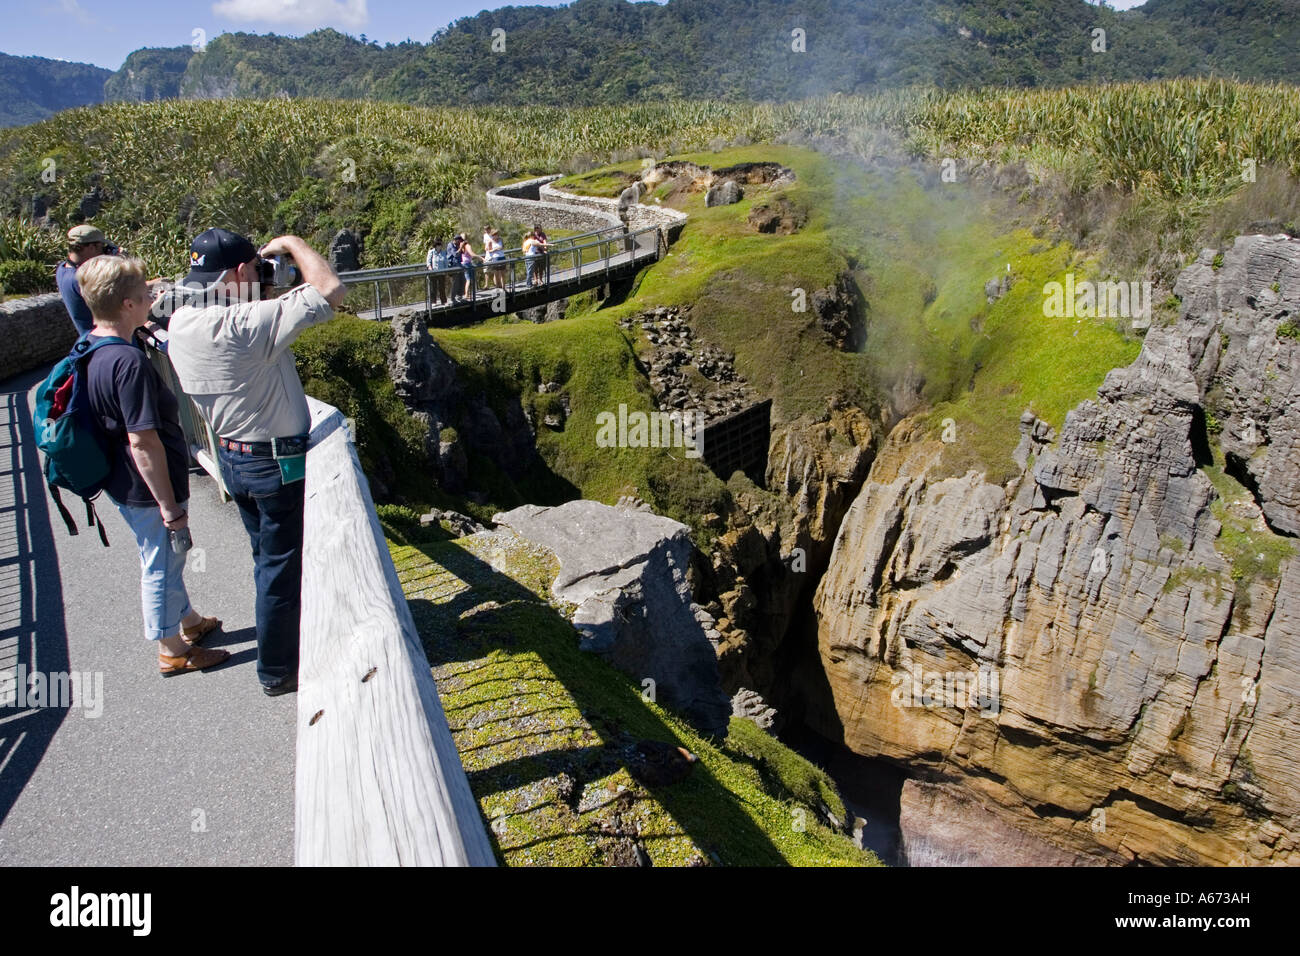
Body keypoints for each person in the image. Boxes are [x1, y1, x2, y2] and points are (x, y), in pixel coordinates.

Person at [166, 228, 346, 696]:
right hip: (274, 464)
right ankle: (277, 671)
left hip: (232, 456)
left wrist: (256, 291)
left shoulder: (181, 324)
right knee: (280, 570)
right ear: (241, 272)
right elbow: (330, 290)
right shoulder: (246, 324)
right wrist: (293, 242)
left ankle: (287, 646)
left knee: (266, 561)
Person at [76, 255, 229, 676]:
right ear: (127, 304)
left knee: (167, 557)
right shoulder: (127, 363)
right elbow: (143, 440)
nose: (153, 298)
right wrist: (170, 507)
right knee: (160, 563)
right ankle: (171, 650)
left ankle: (190, 623)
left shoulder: (92, 346)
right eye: (145, 294)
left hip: (120, 481)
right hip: (147, 487)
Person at [56, 224, 117, 336]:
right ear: (91, 248)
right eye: (101, 247)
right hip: (108, 339)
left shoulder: (62, 269)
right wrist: (117, 263)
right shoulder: (82, 280)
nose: (103, 251)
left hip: (92, 338)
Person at [426, 236, 450, 306]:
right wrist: (430, 268)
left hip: (441, 272)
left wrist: (446, 270)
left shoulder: (443, 252)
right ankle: (433, 301)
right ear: (435, 245)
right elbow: (428, 262)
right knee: (433, 287)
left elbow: (446, 262)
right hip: (433, 272)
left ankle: (443, 301)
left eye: (440, 244)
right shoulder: (431, 252)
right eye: (438, 244)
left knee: (442, 287)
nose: (439, 246)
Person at [458, 235, 479, 303]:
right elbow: (472, 254)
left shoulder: (461, 245)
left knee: (468, 279)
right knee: (469, 279)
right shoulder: (467, 245)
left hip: (463, 263)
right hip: (467, 264)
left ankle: (467, 293)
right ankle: (466, 294)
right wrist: (480, 257)